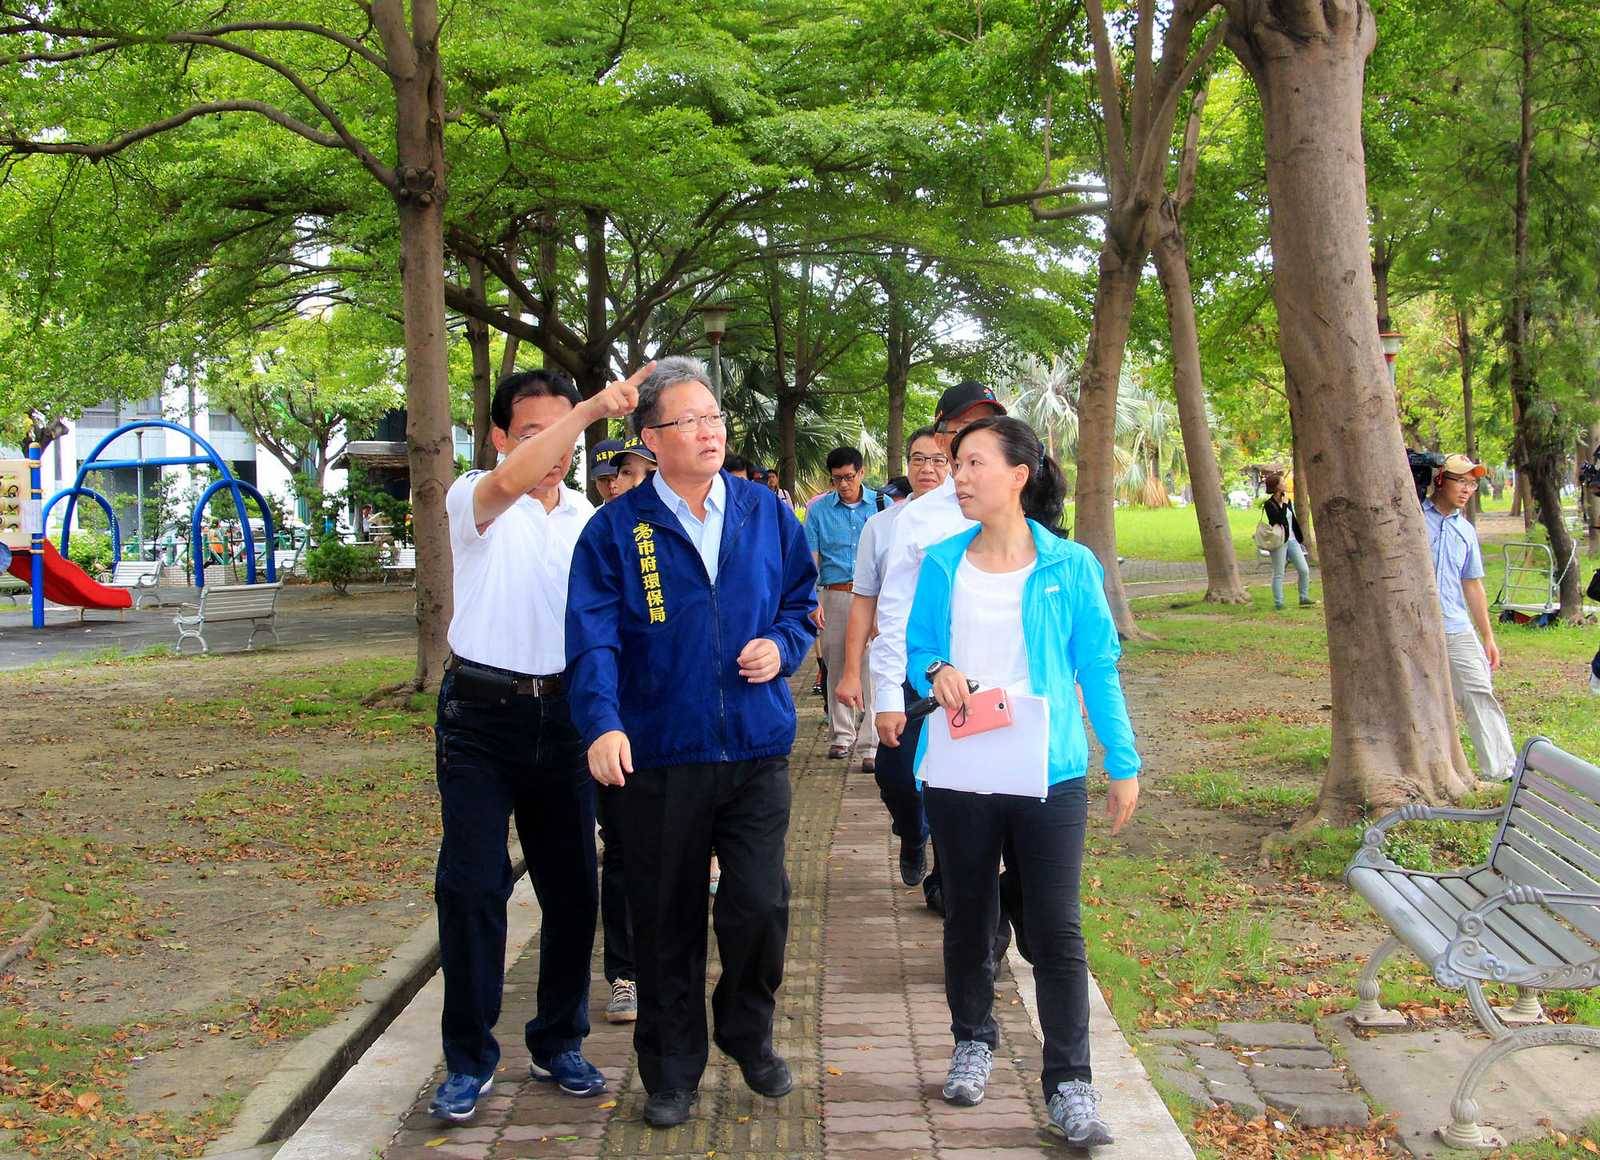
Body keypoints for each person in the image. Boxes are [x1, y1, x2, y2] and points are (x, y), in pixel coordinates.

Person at [566, 355, 818, 1130]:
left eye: (714, 417)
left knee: (759, 903)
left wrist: (782, 647)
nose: (709, 431)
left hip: (753, 747)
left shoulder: (765, 512)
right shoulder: (616, 531)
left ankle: (748, 1031)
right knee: (665, 916)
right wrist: (602, 721)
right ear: (651, 438)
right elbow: (593, 636)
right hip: (658, 754)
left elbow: (800, 600)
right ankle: (671, 1068)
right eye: (690, 420)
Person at [905, 416, 1139, 1147]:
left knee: (1057, 929)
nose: (960, 476)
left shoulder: (1070, 566)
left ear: (1019, 475)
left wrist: (1122, 762)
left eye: (974, 462)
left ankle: (1071, 1084)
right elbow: (919, 650)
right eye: (954, 464)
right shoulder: (943, 561)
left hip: (1051, 768)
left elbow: (1097, 666)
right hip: (963, 766)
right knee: (969, 914)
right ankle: (973, 1040)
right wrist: (936, 671)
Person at [427, 365, 645, 1123]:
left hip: (566, 724)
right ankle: (468, 1057)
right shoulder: (475, 499)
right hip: (480, 721)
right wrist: (586, 409)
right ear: (497, 438)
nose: (553, 449)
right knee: (473, 886)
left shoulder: (589, 516)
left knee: (573, 890)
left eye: (565, 435)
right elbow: (513, 480)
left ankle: (559, 1040)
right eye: (532, 433)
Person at [835, 432, 948, 900]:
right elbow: (864, 599)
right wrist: (847, 669)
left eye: (939, 459)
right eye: (918, 458)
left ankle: (947, 880)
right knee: (895, 772)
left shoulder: (968, 519)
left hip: (955, 670)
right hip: (898, 665)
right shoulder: (882, 528)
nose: (928, 468)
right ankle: (910, 830)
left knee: (950, 777)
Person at [589, 432, 655, 1026]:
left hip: (667, 720)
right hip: (609, 719)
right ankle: (628, 972)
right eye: (613, 475)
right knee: (625, 849)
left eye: (630, 474)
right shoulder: (594, 535)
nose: (618, 485)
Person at [1426, 455, 1516, 782]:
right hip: (1413, 627)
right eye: (1460, 481)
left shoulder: (1465, 530)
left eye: (1472, 483)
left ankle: (1502, 770)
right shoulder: (1413, 519)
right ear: (1440, 480)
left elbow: (1473, 584)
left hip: (1455, 626)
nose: (1467, 489)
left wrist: (1488, 637)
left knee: (1479, 691)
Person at [805, 447, 882, 763]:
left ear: (861, 473)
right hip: (835, 594)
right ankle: (842, 735)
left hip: (875, 597)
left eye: (849, 477)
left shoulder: (882, 506)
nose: (844, 484)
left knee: (873, 667)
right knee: (836, 662)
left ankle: (871, 742)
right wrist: (812, 599)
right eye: (837, 479)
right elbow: (812, 557)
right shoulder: (819, 511)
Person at [1262, 471, 1315, 610]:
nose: (1285, 484)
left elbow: (1293, 520)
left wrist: (1300, 538)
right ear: (1276, 486)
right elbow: (1279, 520)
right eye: (1282, 482)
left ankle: (1304, 597)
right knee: (1279, 572)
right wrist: (1284, 505)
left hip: (1292, 541)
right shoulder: (1269, 504)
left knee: (1304, 570)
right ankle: (1279, 603)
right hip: (1279, 541)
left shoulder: (1288, 500)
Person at [589, 438, 626, 503]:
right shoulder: (590, 513)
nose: (611, 486)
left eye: (617, 476)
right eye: (603, 479)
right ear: (596, 482)